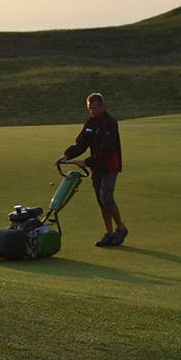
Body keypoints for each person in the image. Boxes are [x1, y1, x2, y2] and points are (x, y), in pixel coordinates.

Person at [54, 92, 127, 247]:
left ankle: (120, 228)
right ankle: (109, 233)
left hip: (110, 166)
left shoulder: (110, 123)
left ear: (101, 107)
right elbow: (81, 144)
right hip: (97, 167)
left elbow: (105, 150)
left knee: (106, 197)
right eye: (89, 109)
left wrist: (86, 162)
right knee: (101, 201)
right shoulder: (90, 123)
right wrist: (66, 155)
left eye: (94, 108)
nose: (92, 112)